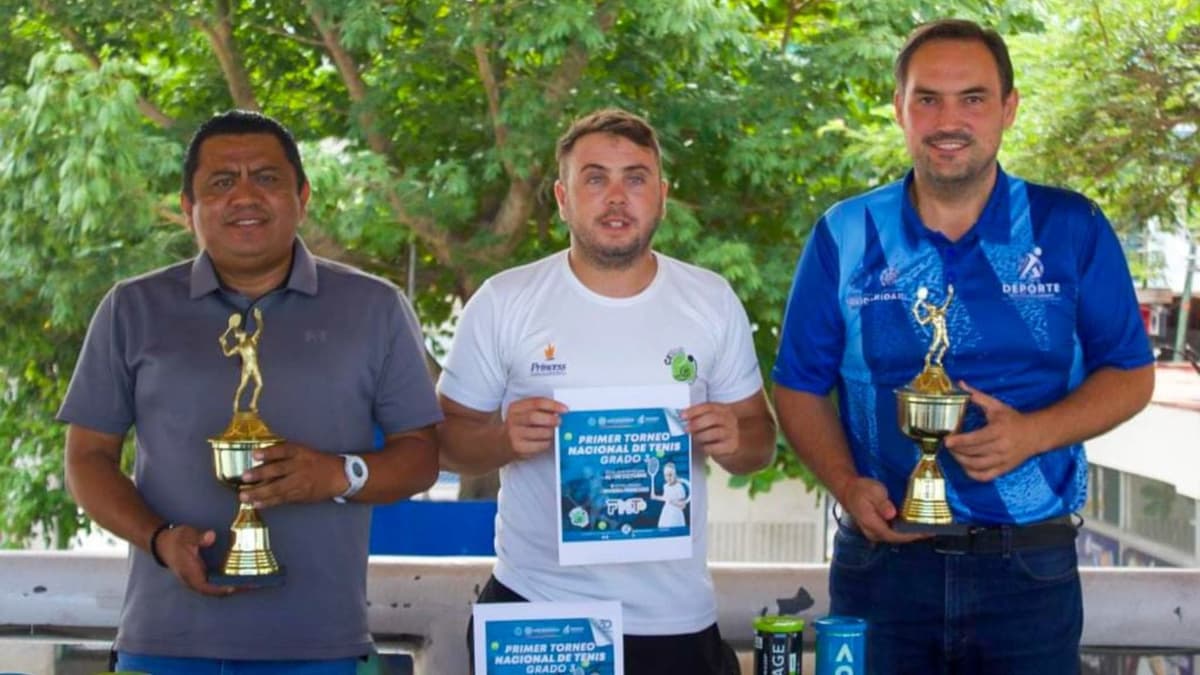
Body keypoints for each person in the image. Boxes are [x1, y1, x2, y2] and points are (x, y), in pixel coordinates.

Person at [772, 19, 1154, 674]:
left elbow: (1131, 374)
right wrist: (844, 483)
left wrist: (1033, 433)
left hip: (1029, 570)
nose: (950, 120)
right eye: (928, 99)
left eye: (973, 98)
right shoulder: (845, 232)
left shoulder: (1070, 226)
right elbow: (799, 385)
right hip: (879, 567)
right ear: (899, 109)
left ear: (1008, 108)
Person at [58, 110, 442, 673]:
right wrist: (160, 538)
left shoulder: (374, 308)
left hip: (323, 647)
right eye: (221, 182)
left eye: (266, 178)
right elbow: (86, 458)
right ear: (189, 208)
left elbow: (423, 455)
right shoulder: (132, 308)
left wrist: (338, 475)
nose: (245, 196)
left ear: (302, 197)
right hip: (164, 643)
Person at [437, 108, 776, 675]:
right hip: (540, 612)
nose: (616, 197)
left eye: (635, 178)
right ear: (563, 198)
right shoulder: (504, 301)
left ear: (662, 196)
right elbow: (443, 443)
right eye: (595, 178)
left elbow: (759, 445)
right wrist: (503, 439)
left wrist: (733, 438)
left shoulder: (711, 299)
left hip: (674, 618)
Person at [650, 462, 690, 528]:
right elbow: (666, 498)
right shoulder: (665, 486)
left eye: (670, 475)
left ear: (675, 474)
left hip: (676, 515)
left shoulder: (679, 487)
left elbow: (683, 505)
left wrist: (673, 502)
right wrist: (655, 497)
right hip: (666, 513)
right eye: (666, 475)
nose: (668, 477)